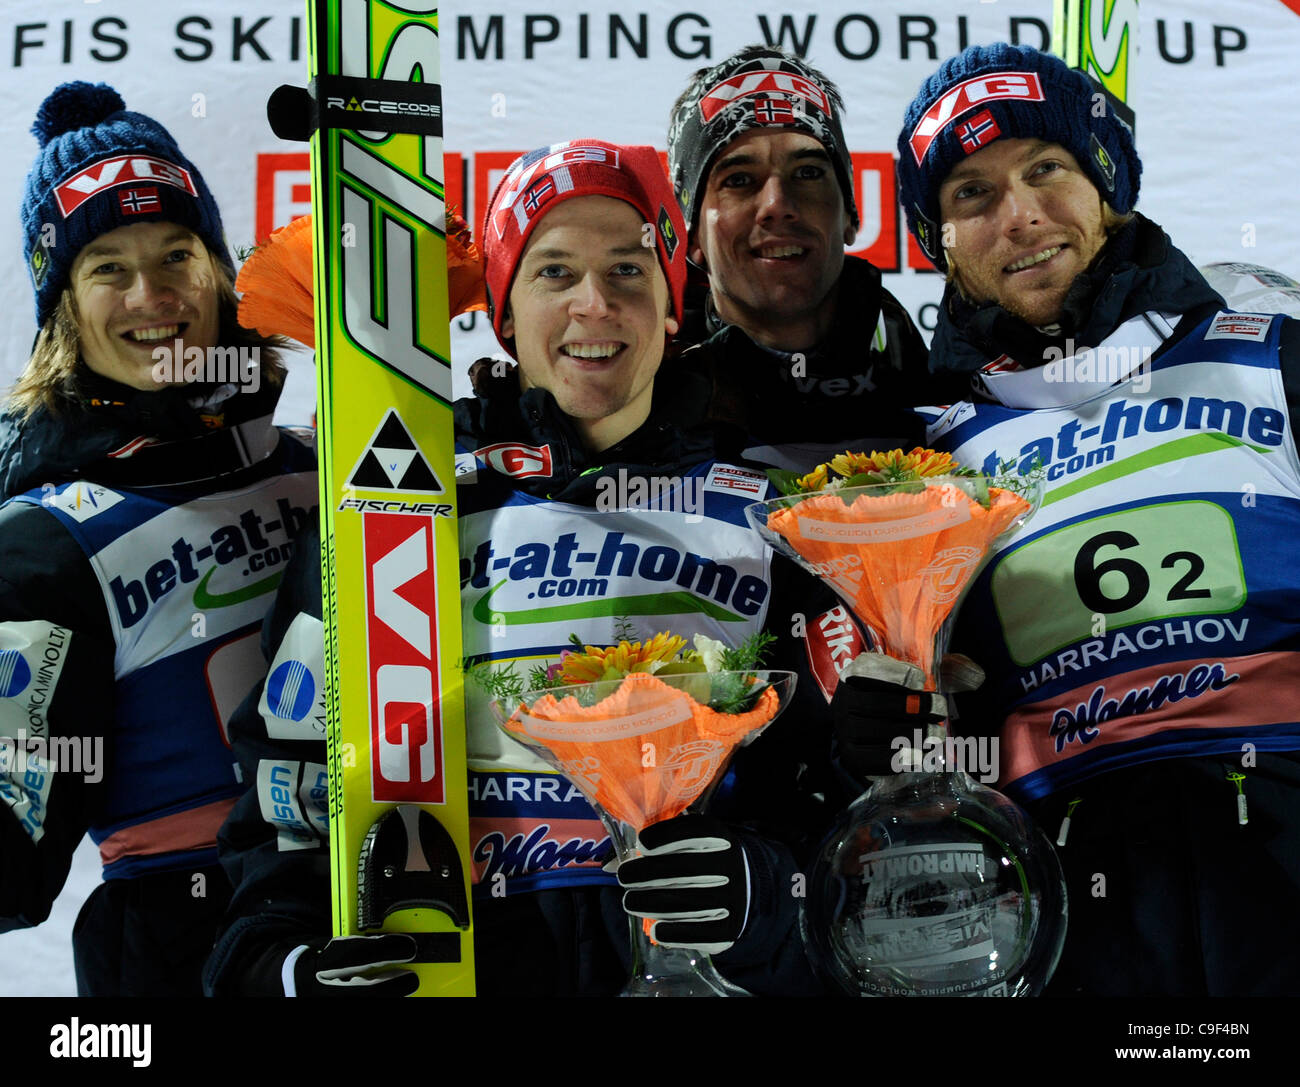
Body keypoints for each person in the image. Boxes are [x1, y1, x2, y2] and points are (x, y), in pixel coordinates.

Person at [205, 140, 825, 997]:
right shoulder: (397, 511)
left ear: (675, 305)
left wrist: (768, 901)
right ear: (502, 310)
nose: (593, 304)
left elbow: (833, 812)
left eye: (629, 271)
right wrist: (282, 966)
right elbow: (286, 799)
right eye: (554, 272)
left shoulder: (766, 518)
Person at [888, 42, 1300, 995]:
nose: (1021, 214)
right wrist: (882, 724)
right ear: (937, 243)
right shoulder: (930, 462)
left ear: (1106, 182)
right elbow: (926, 718)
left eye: (1048, 169)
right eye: (971, 195)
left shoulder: (1270, 353)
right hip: (1083, 924)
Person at [0, 82, 317, 996]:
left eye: (178, 253)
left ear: (221, 270)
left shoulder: (321, 464)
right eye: (106, 266)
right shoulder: (42, 545)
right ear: (63, 304)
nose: (153, 296)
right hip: (185, 955)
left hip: (383, 917)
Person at [666, 45, 963, 470]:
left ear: (849, 214)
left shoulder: (946, 394)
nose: (776, 204)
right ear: (692, 234)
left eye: (807, 172)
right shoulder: (642, 406)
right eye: (739, 179)